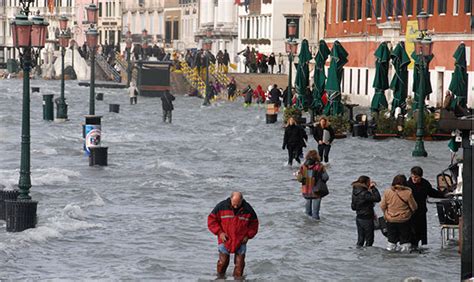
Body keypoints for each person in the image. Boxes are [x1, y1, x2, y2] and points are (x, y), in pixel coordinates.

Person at [208, 192, 259, 279]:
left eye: (238, 204)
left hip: (241, 240)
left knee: (240, 266)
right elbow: (211, 220)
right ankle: (220, 279)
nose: (235, 206)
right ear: (230, 199)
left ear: (241, 201)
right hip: (225, 239)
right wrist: (220, 232)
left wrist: (248, 235)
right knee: (223, 263)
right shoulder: (221, 206)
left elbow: (254, 224)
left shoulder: (248, 209)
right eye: (234, 204)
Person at [406, 166, 447, 250]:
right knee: (411, 232)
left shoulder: (425, 183)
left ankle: (418, 248)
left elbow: (432, 192)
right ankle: (412, 247)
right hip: (410, 212)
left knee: (420, 232)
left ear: (420, 177)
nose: (414, 179)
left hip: (421, 211)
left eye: (416, 177)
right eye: (412, 176)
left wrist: (444, 195)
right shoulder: (407, 184)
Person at [380, 175, 418, 252]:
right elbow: (414, 207)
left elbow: (382, 205)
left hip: (390, 219)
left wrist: (386, 214)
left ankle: (390, 255)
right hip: (404, 220)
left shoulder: (388, 192)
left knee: (391, 241)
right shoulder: (408, 193)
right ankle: (404, 258)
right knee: (405, 241)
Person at [296, 150, 328, 220]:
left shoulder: (303, 166)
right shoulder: (320, 166)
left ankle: (308, 229)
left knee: (307, 214)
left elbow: (299, 179)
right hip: (317, 191)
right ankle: (316, 230)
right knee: (315, 214)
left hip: (306, 191)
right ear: (317, 157)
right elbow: (326, 177)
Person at [351, 176, 381, 247]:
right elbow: (377, 198)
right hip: (367, 218)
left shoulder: (355, 191)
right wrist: (373, 188)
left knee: (360, 239)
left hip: (359, 217)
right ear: (366, 182)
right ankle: (367, 256)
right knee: (369, 240)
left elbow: (353, 207)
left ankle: (359, 254)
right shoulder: (365, 193)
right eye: (369, 182)